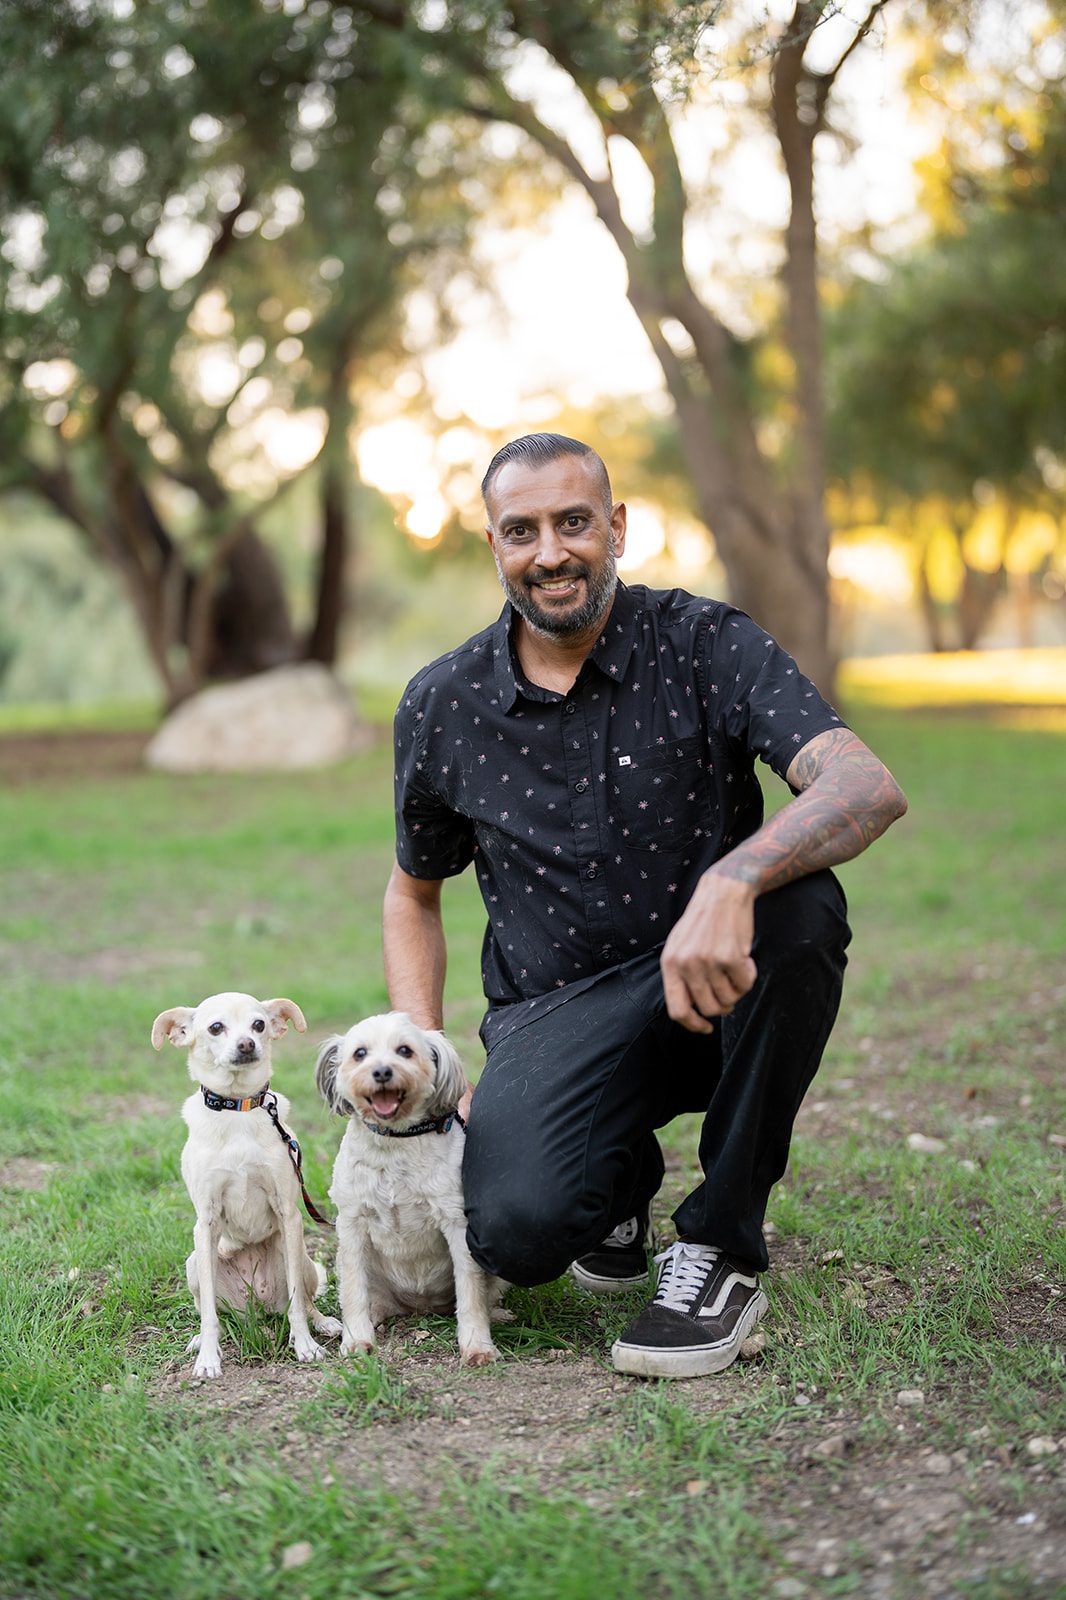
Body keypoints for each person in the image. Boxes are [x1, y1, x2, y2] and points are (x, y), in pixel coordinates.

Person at [382, 433, 907, 1379]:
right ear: (494, 547)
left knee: (803, 908)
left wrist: (732, 880)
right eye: (522, 531)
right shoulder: (442, 703)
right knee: (518, 1235)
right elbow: (413, 895)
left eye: (573, 522)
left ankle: (718, 1246)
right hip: (554, 1012)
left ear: (615, 526)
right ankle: (615, 1179)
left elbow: (863, 786)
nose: (551, 552)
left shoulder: (708, 643)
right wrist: (428, 1053)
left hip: (715, 983)